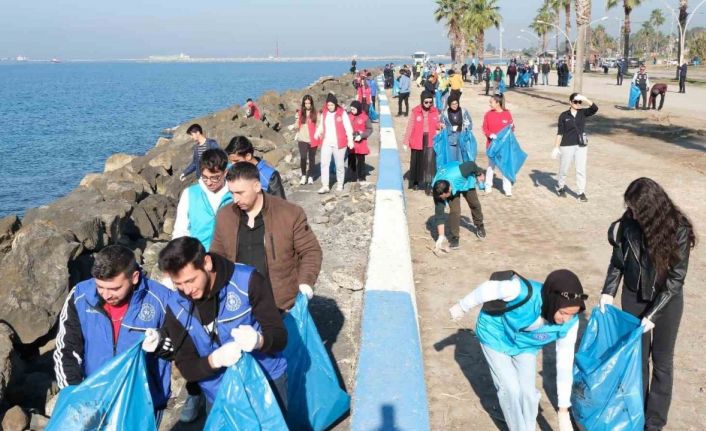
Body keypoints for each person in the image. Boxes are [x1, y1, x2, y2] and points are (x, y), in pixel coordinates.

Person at [599, 177, 695, 431]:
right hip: (633, 296)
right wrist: (608, 291)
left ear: (650, 210)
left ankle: (654, 422)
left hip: (666, 302)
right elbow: (618, 260)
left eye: (635, 209)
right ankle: (636, 413)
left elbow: (675, 280)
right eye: (629, 208)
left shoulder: (678, 230)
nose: (630, 213)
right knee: (637, 360)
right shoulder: (628, 223)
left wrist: (653, 314)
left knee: (662, 363)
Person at [156, 237, 288, 411]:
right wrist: (214, 360)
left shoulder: (248, 281)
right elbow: (187, 366)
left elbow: (280, 336)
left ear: (207, 263)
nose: (186, 291)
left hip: (266, 380)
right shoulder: (175, 307)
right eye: (178, 284)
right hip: (219, 394)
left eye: (190, 280)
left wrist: (260, 341)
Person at [449, 269, 586, 431]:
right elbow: (488, 288)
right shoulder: (522, 292)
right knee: (510, 389)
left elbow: (564, 363)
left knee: (528, 393)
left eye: (573, 314)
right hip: (495, 335)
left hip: (526, 345)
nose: (566, 319)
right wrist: (462, 306)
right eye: (563, 313)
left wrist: (563, 411)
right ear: (552, 301)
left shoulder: (570, 324)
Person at [54, 245, 174, 425]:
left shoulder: (162, 299)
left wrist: (159, 341)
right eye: (100, 286)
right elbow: (66, 350)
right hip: (94, 401)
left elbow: (182, 346)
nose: (106, 294)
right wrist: (76, 395)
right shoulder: (80, 296)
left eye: (115, 288)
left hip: (144, 402)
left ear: (134, 278)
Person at [210, 162, 322, 311]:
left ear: (257, 187)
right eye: (231, 193)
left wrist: (305, 283)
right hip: (238, 303)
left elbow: (311, 251)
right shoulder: (225, 216)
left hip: (281, 304)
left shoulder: (290, 213)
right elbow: (217, 255)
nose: (235, 199)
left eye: (240, 193)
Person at [173, 149, 233, 252]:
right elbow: (180, 230)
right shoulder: (189, 193)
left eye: (215, 178)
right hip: (198, 257)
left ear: (225, 173)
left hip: (227, 258)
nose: (209, 183)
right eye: (205, 177)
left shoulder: (235, 194)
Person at [553, 93, 598, 203]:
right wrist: (556, 147)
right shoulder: (564, 115)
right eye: (575, 102)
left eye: (579, 102)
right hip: (567, 145)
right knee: (564, 168)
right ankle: (561, 187)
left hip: (581, 145)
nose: (578, 104)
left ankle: (581, 192)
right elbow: (560, 133)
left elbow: (594, 108)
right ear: (570, 102)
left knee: (581, 169)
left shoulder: (583, 113)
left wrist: (585, 99)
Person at [432, 161, 486, 250]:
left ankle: (480, 225)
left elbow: (471, 164)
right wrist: (441, 236)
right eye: (443, 198)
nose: (444, 200)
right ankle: (455, 237)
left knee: (474, 204)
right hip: (450, 181)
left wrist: (479, 173)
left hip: (464, 180)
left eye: (445, 197)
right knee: (455, 211)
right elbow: (439, 214)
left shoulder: (462, 171)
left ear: (449, 190)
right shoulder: (438, 190)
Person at [313, 93, 354, 193]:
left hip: (339, 143)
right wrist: (317, 133)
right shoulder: (325, 113)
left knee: (339, 165)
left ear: (335, 104)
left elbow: (348, 127)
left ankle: (340, 184)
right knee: (324, 164)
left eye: (332, 105)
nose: (330, 107)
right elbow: (321, 125)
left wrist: (350, 140)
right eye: (328, 105)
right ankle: (325, 185)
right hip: (327, 142)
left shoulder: (342, 113)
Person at [403, 91, 442, 194]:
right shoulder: (415, 111)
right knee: (417, 161)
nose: (429, 104)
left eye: (430, 102)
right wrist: (406, 141)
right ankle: (416, 182)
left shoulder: (435, 111)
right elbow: (410, 126)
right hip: (417, 139)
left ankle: (428, 183)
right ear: (422, 101)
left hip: (430, 138)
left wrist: (441, 125)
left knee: (430, 162)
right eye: (426, 102)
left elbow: (437, 124)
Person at [482, 94, 515, 196]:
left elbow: (512, 129)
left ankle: (507, 188)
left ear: (497, 103)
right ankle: (488, 185)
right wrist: (489, 134)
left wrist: (512, 127)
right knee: (491, 166)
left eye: (491, 102)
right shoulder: (488, 114)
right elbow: (484, 128)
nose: (490, 104)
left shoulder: (507, 113)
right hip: (492, 146)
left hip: (504, 147)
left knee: (505, 167)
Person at [293, 95, 321, 185]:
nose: (307, 105)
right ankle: (304, 175)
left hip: (313, 140)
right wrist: (297, 119)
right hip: (302, 139)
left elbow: (319, 126)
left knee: (312, 158)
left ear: (311, 103)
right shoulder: (301, 113)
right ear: (303, 104)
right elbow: (297, 127)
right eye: (305, 103)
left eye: (309, 103)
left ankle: (311, 176)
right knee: (303, 157)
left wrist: (319, 135)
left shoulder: (316, 113)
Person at [440, 93, 473, 162]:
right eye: (452, 104)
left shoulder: (463, 111)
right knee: (453, 161)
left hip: (462, 140)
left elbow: (470, 123)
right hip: (451, 141)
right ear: (449, 104)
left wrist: (467, 127)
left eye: (456, 103)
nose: (455, 105)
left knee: (462, 161)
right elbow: (442, 128)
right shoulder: (445, 114)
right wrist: (451, 129)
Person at [348, 101, 373, 184]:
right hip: (351, 142)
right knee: (351, 160)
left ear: (358, 109)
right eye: (351, 109)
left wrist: (362, 135)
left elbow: (369, 129)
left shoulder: (365, 117)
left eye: (354, 109)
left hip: (361, 142)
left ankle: (361, 176)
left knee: (361, 160)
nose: (352, 111)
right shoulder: (349, 116)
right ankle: (352, 176)